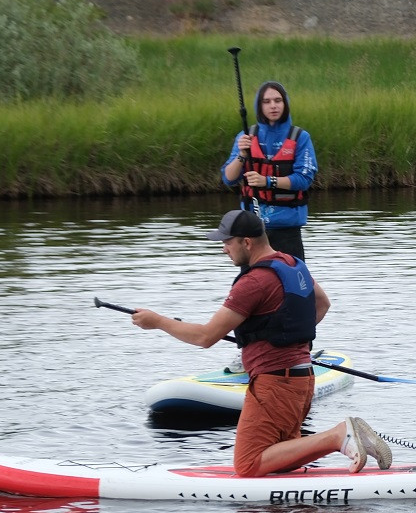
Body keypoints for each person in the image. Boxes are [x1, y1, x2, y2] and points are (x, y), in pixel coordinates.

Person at [131, 209, 390, 477]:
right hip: (302, 379)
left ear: (246, 242)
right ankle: (341, 444)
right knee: (282, 456)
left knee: (248, 464)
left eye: (227, 242)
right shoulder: (291, 264)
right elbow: (322, 304)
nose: (223, 249)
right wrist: (283, 335)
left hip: (275, 383)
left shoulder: (254, 282)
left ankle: (339, 435)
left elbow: (205, 337)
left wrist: (158, 321)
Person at [222, 81, 317, 261]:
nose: (273, 106)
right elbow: (228, 178)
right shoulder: (246, 136)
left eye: (278, 100)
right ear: (259, 106)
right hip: (253, 232)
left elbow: (304, 179)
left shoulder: (300, 137)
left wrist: (267, 181)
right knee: (253, 285)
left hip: (287, 231)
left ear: (285, 104)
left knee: (291, 284)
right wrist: (241, 155)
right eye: (266, 101)